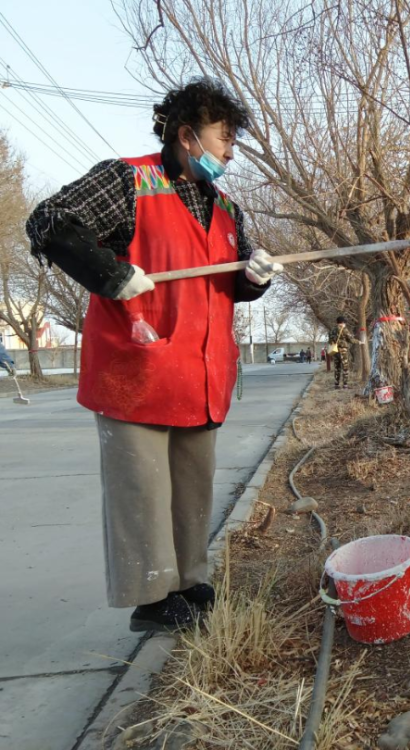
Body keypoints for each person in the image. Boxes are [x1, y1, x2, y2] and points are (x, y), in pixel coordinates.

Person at [25, 78, 283, 633]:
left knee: (192, 487)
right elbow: (48, 221)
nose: (230, 150)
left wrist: (254, 278)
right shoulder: (128, 182)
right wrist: (110, 274)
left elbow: (231, 281)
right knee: (141, 489)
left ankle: (188, 580)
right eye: (225, 136)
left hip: (202, 373)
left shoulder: (226, 207)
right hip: (136, 369)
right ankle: (151, 596)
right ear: (188, 135)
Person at [328, 316, 358, 389]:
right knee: (345, 368)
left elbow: (330, 341)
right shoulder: (344, 330)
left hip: (335, 351)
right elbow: (351, 339)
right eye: (344, 322)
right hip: (343, 351)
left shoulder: (332, 330)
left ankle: (336, 384)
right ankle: (345, 385)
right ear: (343, 322)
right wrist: (359, 342)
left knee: (337, 368)